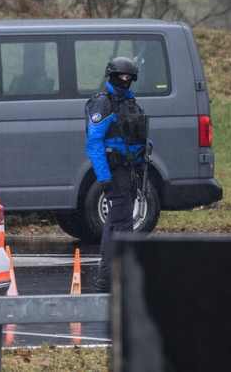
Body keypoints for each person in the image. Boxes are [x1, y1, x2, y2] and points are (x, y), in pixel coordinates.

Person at [85, 57, 149, 293]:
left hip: (130, 170)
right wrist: (104, 178)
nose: (124, 81)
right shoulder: (103, 104)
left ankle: (109, 277)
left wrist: (145, 148)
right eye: (120, 76)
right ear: (111, 76)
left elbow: (133, 136)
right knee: (121, 224)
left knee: (117, 223)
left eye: (128, 77)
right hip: (115, 171)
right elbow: (93, 143)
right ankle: (118, 275)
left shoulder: (130, 103)